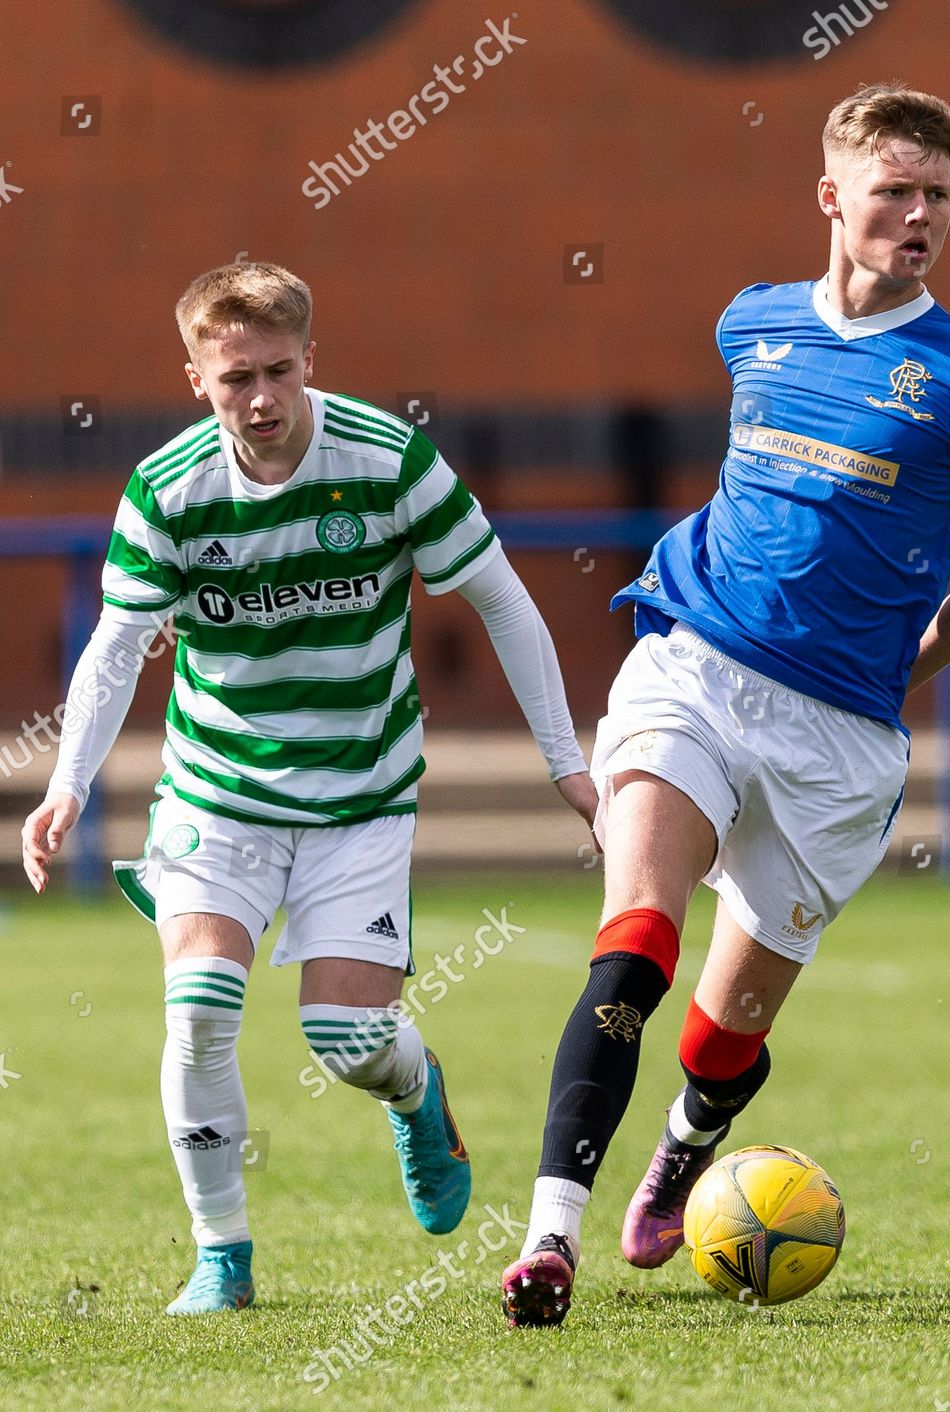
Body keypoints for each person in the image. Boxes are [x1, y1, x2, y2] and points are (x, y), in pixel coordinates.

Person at [499, 83, 950, 1327]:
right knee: (634, 934)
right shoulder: (751, 325)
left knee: (724, 1034)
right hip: (693, 664)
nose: (920, 216)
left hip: (841, 738)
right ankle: (549, 1238)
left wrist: (900, 667)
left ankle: (686, 1151)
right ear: (832, 196)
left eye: (939, 197)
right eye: (896, 191)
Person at [19, 262, 597, 1314]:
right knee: (197, 1008)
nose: (263, 397)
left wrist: (566, 759)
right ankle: (221, 1255)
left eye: (280, 369)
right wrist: (66, 784)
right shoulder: (169, 488)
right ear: (197, 377)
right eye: (236, 376)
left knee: (348, 1041)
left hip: (360, 792)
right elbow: (114, 652)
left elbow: (505, 600)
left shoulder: (388, 462)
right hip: (217, 790)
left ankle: (420, 1100)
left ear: (309, 357)